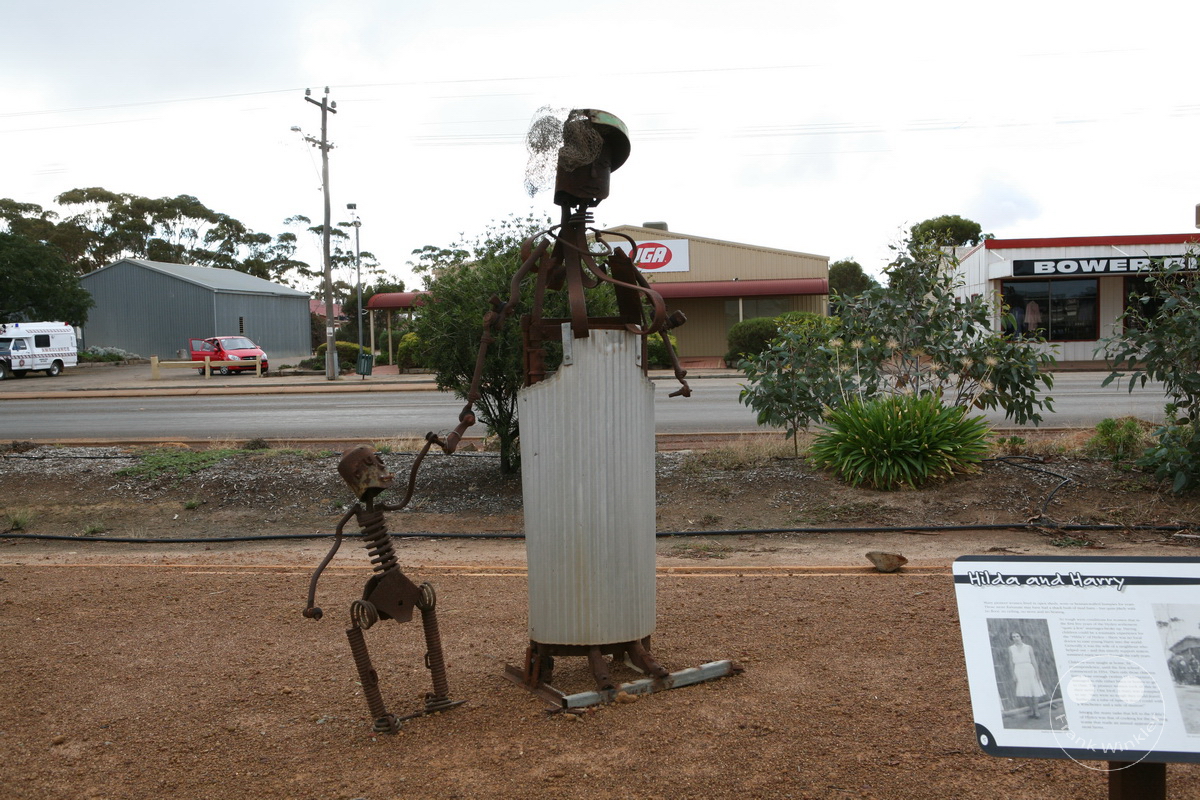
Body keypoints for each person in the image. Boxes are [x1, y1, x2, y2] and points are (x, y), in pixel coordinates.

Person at [1009, 631, 1047, 718]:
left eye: (1017, 636)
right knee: (1025, 691)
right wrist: (1013, 675)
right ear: (1012, 639)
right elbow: (1010, 662)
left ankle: (1037, 711)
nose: (1016, 638)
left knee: (1034, 690)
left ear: (1021, 637)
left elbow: (1033, 660)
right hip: (1018, 670)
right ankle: (1032, 710)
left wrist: (1037, 674)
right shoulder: (1011, 648)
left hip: (1029, 669)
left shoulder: (1028, 647)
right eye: (1013, 637)